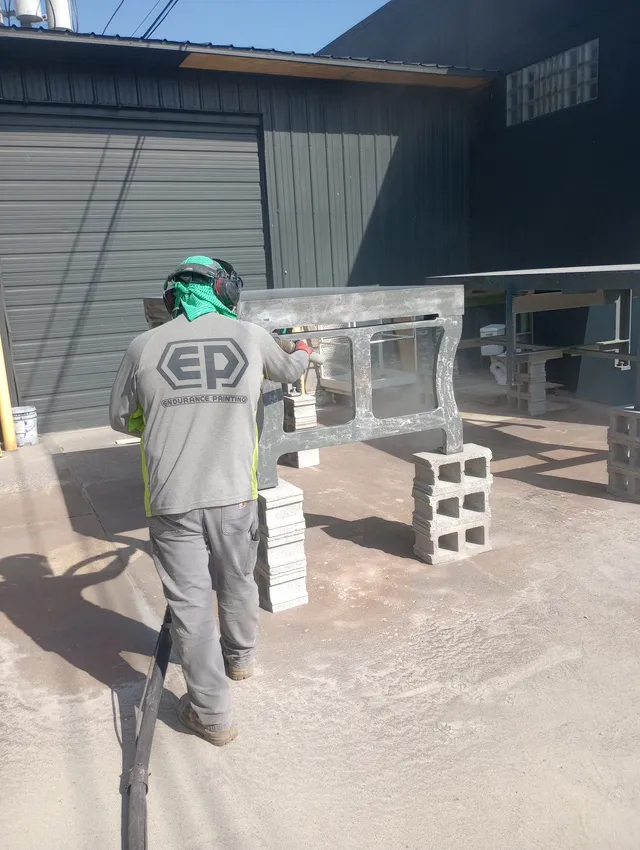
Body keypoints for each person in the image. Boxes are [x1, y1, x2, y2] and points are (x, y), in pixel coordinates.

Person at [109, 255, 311, 746]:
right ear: (224, 290)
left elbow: (121, 418)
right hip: (234, 495)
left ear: (172, 297)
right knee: (238, 578)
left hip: (172, 499)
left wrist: (163, 417)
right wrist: (304, 348)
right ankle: (239, 660)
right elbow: (290, 369)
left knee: (191, 606)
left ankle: (213, 716)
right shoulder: (252, 336)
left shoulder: (142, 346)